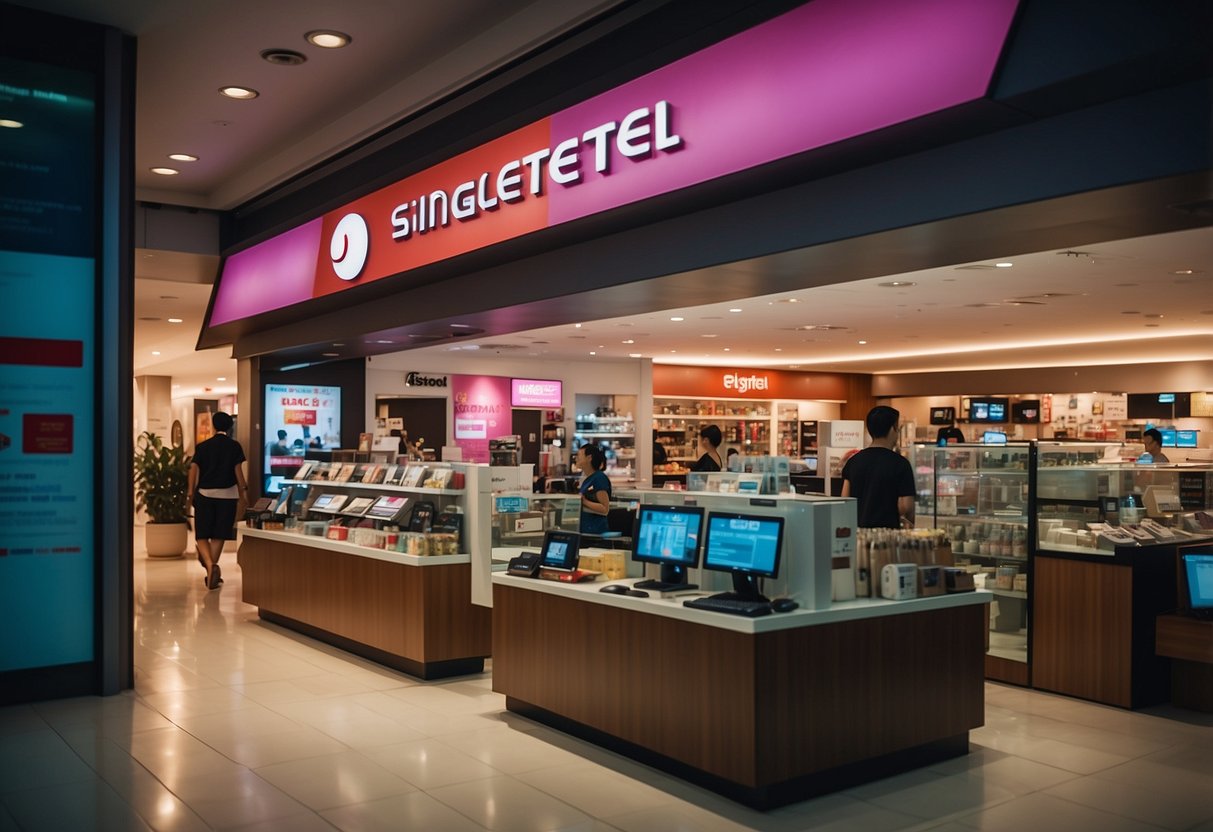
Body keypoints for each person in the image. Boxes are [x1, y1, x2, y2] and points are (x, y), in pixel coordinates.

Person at [187, 411, 248, 590]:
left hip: (205, 494)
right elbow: (238, 472)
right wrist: (244, 493)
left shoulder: (203, 446)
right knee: (219, 534)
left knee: (202, 534)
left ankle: (209, 565)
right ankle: (212, 568)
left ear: (213, 425)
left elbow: (193, 469)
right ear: (230, 427)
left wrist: (190, 493)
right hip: (228, 496)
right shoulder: (235, 446)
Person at [841, 405, 916, 529]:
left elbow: (845, 501)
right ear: (892, 429)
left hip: (858, 533)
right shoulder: (900, 464)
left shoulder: (853, 461)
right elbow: (906, 507)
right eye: (898, 428)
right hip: (888, 534)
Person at [576, 443, 612, 535]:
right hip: (586, 531)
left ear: (589, 458)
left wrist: (584, 502)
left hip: (596, 534)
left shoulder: (599, 478)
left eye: (579, 456)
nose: (576, 458)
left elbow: (605, 509)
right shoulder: (587, 480)